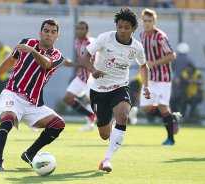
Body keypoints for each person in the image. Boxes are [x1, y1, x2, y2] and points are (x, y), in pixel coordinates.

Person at [0, 19, 65, 170]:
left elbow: (46, 64)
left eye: (53, 32)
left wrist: (32, 51)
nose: (49, 34)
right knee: (8, 120)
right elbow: (11, 60)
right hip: (12, 94)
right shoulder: (26, 42)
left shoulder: (57, 55)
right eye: (46, 31)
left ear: (57, 36)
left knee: (58, 124)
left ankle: (30, 154)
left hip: (32, 103)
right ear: (40, 33)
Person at [80, 6, 151, 172]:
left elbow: (144, 66)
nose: (123, 31)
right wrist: (93, 70)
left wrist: (146, 86)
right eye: (120, 27)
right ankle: (111, 127)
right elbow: (84, 55)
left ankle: (107, 159)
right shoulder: (105, 38)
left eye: (127, 28)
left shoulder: (137, 47)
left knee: (123, 115)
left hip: (120, 87)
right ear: (116, 26)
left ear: (134, 28)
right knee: (104, 134)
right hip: (98, 90)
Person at [139, 8, 182, 146]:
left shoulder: (160, 36)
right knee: (145, 107)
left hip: (163, 77)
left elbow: (172, 55)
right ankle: (172, 117)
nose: (147, 23)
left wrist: (153, 63)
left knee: (163, 106)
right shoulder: (142, 35)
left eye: (150, 21)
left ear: (154, 21)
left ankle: (170, 139)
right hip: (150, 77)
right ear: (142, 21)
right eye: (145, 21)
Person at [63, 21, 96, 131]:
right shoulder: (76, 42)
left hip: (91, 79)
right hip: (81, 77)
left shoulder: (90, 43)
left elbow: (89, 63)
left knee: (90, 102)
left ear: (87, 30)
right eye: (78, 28)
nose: (80, 30)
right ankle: (91, 116)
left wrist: (71, 64)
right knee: (67, 98)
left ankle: (90, 124)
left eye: (82, 28)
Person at [170, 42, 193, 112]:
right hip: (185, 82)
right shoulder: (189, 60)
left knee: (174, 97)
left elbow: (171, 69)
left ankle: (174, 112)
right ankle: (182, 114)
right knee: (183, 98)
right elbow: (192, 71)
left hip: (176, 81)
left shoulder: (174, 59)